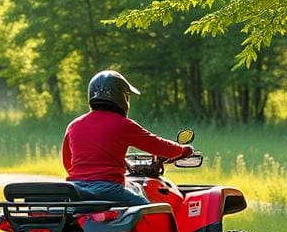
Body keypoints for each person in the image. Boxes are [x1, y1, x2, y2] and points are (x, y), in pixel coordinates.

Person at [62, 70, 194, 205]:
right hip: (109, 190)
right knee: (151, 210)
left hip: (77, 189)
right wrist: (183, 150)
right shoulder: (123, 124)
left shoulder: (74, 125)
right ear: (120, 97)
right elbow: (157, 145)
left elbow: (68, 162)